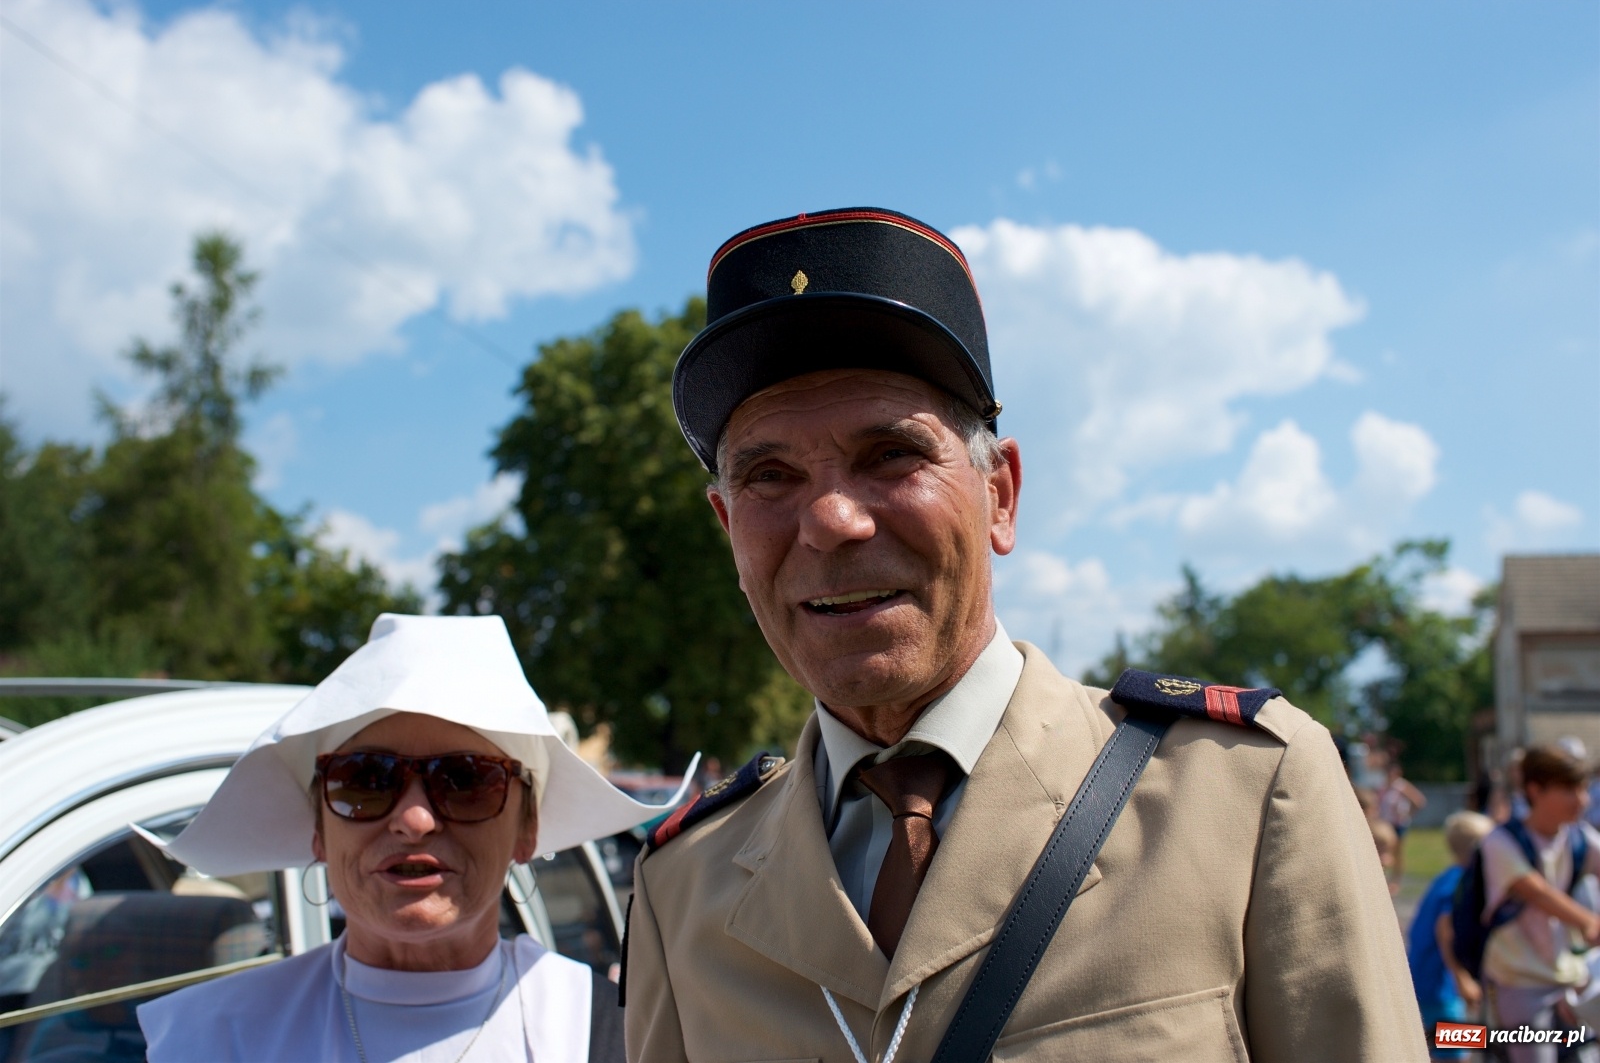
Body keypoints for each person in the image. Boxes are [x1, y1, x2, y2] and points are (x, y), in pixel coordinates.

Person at [622, 207, 1425, 1061]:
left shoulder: (1243, 794)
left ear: (1000, 493)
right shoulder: (683, 888)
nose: (829, 520)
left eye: (890, 454)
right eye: (770, 475)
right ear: (726, 526)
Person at [137, 613, 693, 1062]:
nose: (414, 819)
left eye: (468, 780)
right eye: (365, 781)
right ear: (317, 827)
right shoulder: (212, 1040)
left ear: (527, 829)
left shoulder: (617, 1034)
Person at [1479, 744, 1600, 1063]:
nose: (1582, 800)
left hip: (1569, 978)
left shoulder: (1580, 839)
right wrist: (1588, 921)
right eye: (1569, 790)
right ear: (1535, 789)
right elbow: (1536, 892)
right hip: (1520, 981)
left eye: (1584, 789)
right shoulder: (1501, 842)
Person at [1411, 810, 1494, 1059]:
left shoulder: (1445, 877)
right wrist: (1463, 979)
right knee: (1454, 1050)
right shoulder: (1461, 883)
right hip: (1441, 986)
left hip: (1424, 979)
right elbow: (1445, 930)